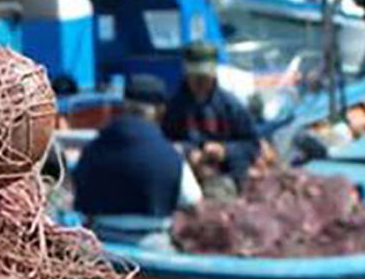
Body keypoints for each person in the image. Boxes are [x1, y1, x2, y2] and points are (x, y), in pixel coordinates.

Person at [73, 82, 202, 250]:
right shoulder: (171, 155)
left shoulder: (93, 149)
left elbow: (80, 199)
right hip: (155, 248)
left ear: (124, 106)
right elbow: (194, 203)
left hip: (102, 248)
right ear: (161, 111)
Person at [162, 42, 261, 193]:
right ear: (186, 73)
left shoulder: (231, 106)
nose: (199, 82)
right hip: (185, 179)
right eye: (195, 76)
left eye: (204, 77)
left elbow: (252, 144)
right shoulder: (174, 107)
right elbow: (163, 143)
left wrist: (225, 151)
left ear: (214, 73)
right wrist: (187, 152)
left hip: (225, 177)